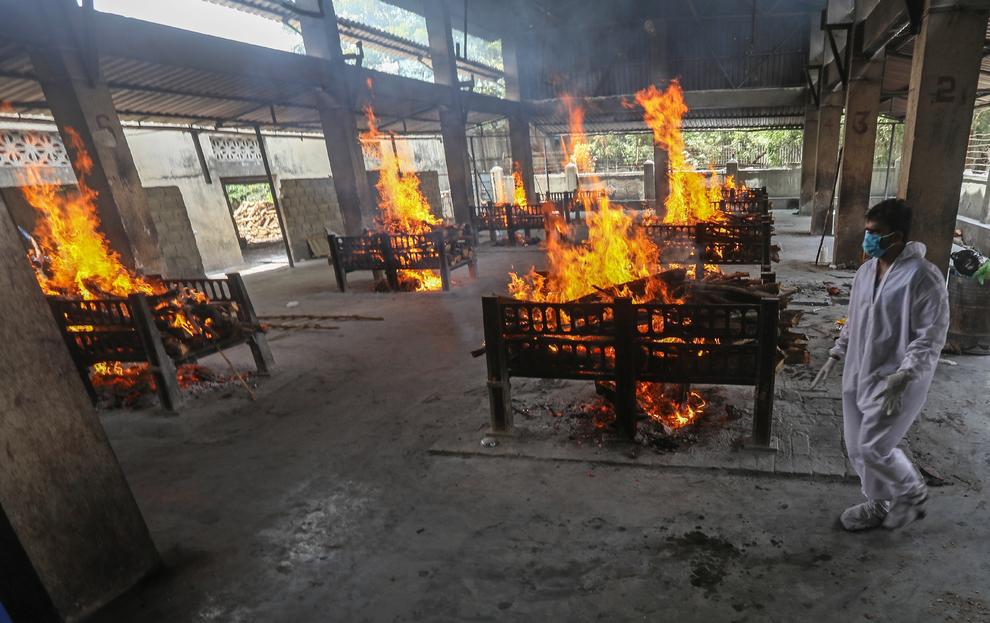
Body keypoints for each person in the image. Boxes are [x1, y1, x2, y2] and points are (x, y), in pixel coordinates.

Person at [810, 199, 949, 531]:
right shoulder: (866, 272)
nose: (867, 238)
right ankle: (879, 503)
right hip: (859, 370)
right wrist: (837, 352)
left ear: (897, 236)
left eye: (875, 233)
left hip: (895, 379)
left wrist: (907, 373)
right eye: (867, 231)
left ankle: (913, 492)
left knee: (876, 446)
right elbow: (855, 319)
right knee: (858, 446)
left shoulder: (923, 277)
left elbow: (931, 335)